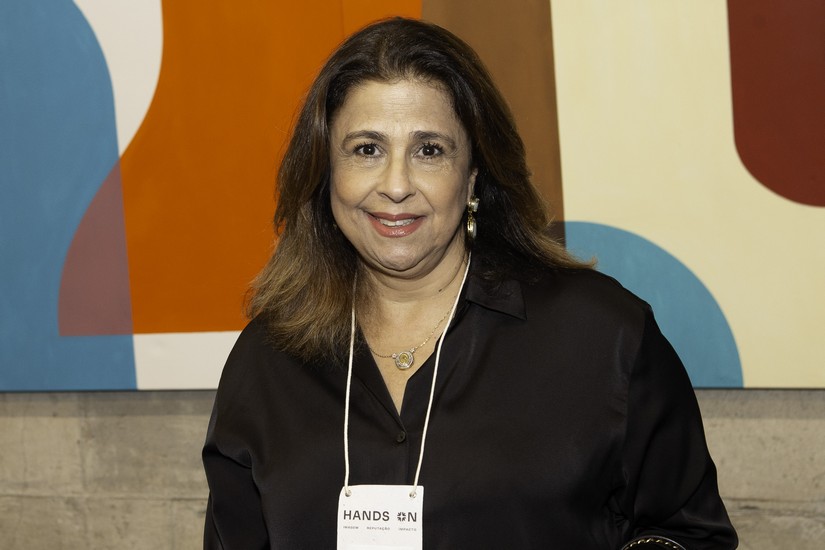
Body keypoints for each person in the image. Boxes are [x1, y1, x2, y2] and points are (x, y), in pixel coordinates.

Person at [202, 17, 738, 549]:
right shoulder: (265, 361)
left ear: (473, 175)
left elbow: (689, 533)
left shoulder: (602, 337)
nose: (396, 185)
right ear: (327, 173)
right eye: (366, 149)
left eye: (429, 150)